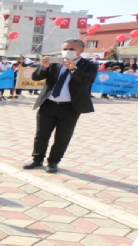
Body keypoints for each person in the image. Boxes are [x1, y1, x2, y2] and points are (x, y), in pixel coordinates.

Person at [23, 38, 97, 174]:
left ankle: (53, 162)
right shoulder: (55, 63)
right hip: (48, 104)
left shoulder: (89, 65)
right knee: (41, 135)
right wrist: (43, 67)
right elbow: (36, 77)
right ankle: (37, 159)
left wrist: (73, 69)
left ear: (81, 50)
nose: (67, 52)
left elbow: (88, 81)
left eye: (71, 49)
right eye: (65, 49)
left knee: (62, 137)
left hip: (70, 107)